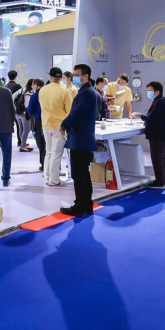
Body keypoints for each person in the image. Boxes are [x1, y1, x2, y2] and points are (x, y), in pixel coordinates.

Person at [60, 64, 99, 217]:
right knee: (83, 173)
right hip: (82, 138)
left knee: (78, 174)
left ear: (86, 76)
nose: (74, 77)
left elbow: (76, 113)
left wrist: (64, 124)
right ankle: (87, 205)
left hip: (81, 139)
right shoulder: (86, 91)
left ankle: (80, 207)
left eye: (77, 75)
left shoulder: (87, 93)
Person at [133, 81, 165, 189]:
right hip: (162, 133)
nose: (148, 92)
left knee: (157, 158)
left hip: (158, 134)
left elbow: (152, 117)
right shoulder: (161, 101)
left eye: (150, 90)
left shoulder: (159, 102)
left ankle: (160, 182)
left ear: (157, 91)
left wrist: (141, 116)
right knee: (161, 157)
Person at [39, 67, 72, 186]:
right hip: (59, 127)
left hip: (45, 124)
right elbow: (70, 111)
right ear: (61, 78)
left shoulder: (42, 90)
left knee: (48, 152)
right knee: (56, 153)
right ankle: (54, 179)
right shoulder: (65, 91)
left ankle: (47, 176)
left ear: (50, 77)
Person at [27, 78, 46, 170]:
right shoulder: (47, 93)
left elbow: (30, 109)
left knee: (41, 143)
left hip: (39, 120)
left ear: (36, 85)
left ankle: (43, 163)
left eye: (33, 84)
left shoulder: (35, 96)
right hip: (50, 120)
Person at [6, 70, 24, 148]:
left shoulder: (6, 86)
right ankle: (20, 141)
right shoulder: (18, 86)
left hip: (7, 108)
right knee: (19, 125)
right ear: (16, 77)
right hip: (16, 107)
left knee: (8, 125)